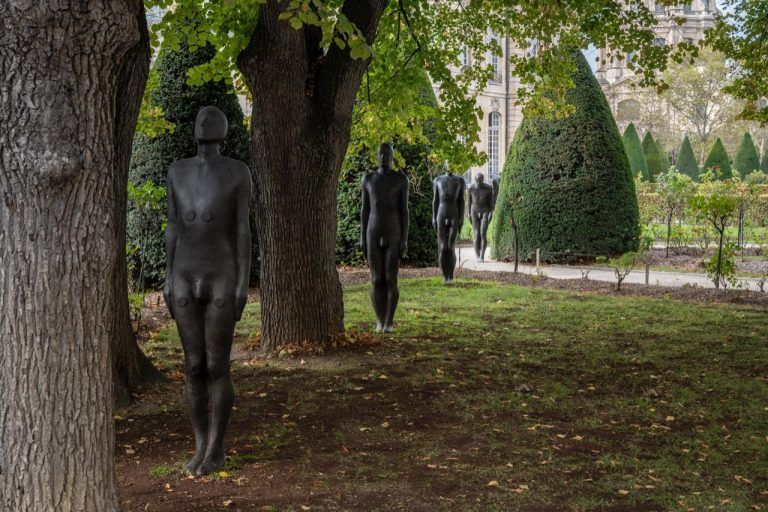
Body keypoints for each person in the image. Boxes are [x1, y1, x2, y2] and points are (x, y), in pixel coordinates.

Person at [163, 106, 251, 476]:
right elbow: (171, 225)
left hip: (221, 274)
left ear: (224, 129)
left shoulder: (236, 172)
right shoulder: (177, 171)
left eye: (212, 117)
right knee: (193, 365)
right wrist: (167, 276)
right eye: (199, 116)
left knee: (217, 365)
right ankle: (200, 443)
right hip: (184, 273)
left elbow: (243, 230)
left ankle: (217, 446)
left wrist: (244, 281)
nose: (204, 120)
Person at [360, 143, 409, 333]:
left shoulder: (400, 179)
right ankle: (379, 320)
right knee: (376, 279)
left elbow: (404, 211)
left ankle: (389, 321)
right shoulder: (368, 179)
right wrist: (363, 237)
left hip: (393, 231)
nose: (383, 156)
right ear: (376, 155)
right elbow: (365, 211)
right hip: (372, 232)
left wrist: (404, 238)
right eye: (380, 153)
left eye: (387, 153)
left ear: (392, 155)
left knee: (390, 278)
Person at [432, 171, 465, 283]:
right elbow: (435, 201)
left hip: (453, 215)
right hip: (441, 215)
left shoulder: (460, 180)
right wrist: (433, 218)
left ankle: (450, 276)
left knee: (450, 247)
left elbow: (462, 201)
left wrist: (461, 219)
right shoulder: (437, 180)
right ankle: (444, 275)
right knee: (443, 247)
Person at [467, 173, 495, 262]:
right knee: (476, 234)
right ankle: (477, 255)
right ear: (475, 180)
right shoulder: (471, 188)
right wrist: (468, 213)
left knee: (483, 233)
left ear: (483, 180)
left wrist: (491, 212)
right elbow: (469, 201)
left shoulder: (488, 188)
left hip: (485, 211)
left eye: (480, 181)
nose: (479, 183)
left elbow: (491, 203)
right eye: (477, 181)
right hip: (474, 211)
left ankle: (482, 255)